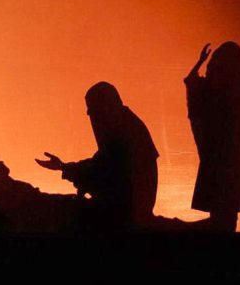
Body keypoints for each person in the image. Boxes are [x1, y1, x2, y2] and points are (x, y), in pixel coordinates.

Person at [36, 82, 159, 230]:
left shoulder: (125, 132)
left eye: (95, 112)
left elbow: (100, 172)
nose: (94, 119)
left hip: (124, 214)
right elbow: (99, 164)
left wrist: (67, 169)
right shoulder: (126, 125)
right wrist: (63, 167)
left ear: (106, 108)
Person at [184, 42, 240, 231]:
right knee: (224, 212)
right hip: (227, 160)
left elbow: (195, 86)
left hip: (225, 160)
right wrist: (200, 63)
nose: (210, 72)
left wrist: (200, 64)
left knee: (223, 211)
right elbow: (193, 83)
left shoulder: (232, 89)